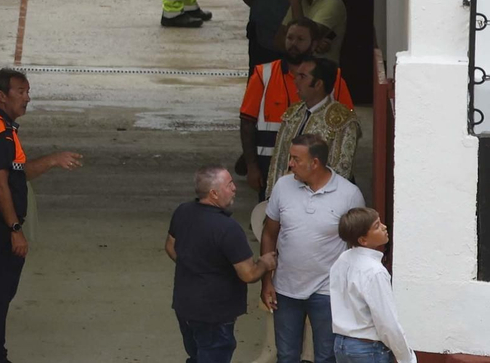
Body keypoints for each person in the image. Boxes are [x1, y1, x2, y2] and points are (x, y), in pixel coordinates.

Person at [0, 69, 83, 363]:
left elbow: (9, 174)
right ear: (1, 96)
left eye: (27, 91)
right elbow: (0, 184)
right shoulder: (1, 134)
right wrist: (14, 228)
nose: (27, 98)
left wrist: (53, 160)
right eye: (21, 91)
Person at [260, 133, 368, 363]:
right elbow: (269, 233)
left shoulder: (349, 195)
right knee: (287, 356)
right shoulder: (283, 186)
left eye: (296, 159)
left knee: (327, 357)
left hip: (328, 292)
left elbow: (358, 247)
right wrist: (267, 281)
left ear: (315, 163)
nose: (290, 164)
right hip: (286, 290)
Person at [166, 165, 279, 363]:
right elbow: (248, 274)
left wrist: (195, 265)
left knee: (196, 355)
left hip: (185, 306)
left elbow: (170, 246)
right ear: (214, 193)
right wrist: (264, 262)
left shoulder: (183, 212)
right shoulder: (228, 229)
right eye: (229, 185)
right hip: (214, 314)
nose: (235, 188)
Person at [240, 23, 355, 195]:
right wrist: (251, 165)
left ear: (314, 44)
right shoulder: (265, 74)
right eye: (290, 38)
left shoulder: (334, 77)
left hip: (318, 178)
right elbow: (247, 122)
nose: (293, 44)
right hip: (272, 166)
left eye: (300, 39)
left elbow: (346, 128)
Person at [329, 209, 416, 363]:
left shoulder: (343, 259)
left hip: (342, 344)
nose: (384, 227)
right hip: (368, 349)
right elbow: (387, 322)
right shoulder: (375, 271)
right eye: (376, 226)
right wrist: (406, 357)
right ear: (363, 240)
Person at [267, 60, 362, 190]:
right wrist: (274, 196)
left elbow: (341, 171)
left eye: (302, 76)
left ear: (318, 84)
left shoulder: (343, 121)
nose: (295, 81)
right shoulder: (293, 113)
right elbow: (278, 161)